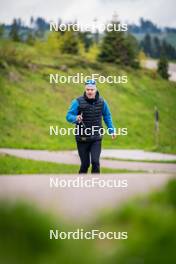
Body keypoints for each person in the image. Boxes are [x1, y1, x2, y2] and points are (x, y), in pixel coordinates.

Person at [66, 79, 116, 173]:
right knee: (85, 164)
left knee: (95, 162)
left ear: (95, 90)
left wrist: (111, 130)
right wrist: (76, 118)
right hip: (82, 138)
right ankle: (80, 184)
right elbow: (68, 116)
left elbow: (107, 116)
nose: (89, 91)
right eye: (88, 89)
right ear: (85, 90)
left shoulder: (102, 102)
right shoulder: (77, 102)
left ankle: (95, 184)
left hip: (96, 138)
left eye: (92, 89)